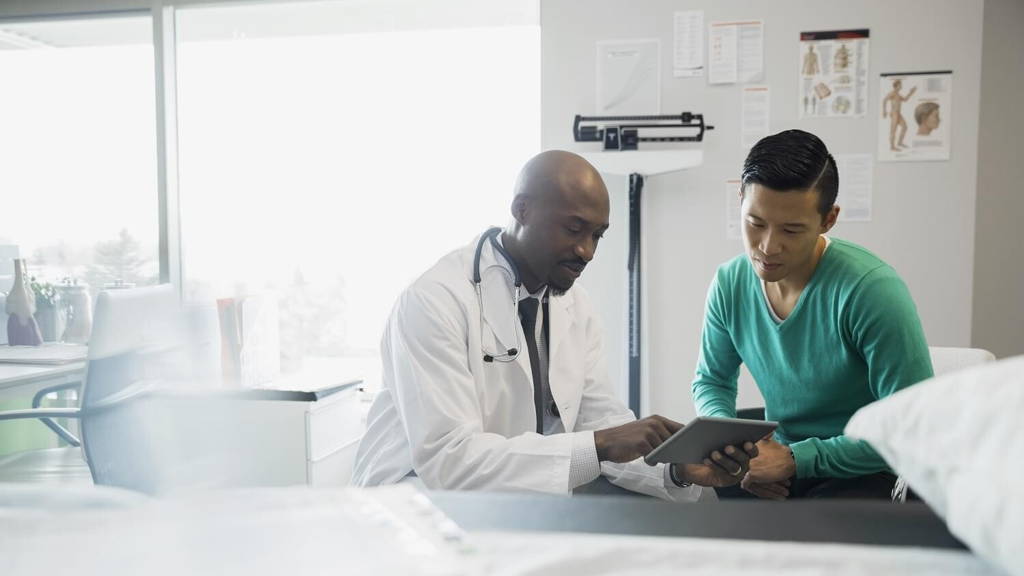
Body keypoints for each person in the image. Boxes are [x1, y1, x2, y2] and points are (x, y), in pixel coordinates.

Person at [353, 150, 756, 499]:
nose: (587, 251)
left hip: (511, 499)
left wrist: (677, 468)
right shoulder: (434, 301)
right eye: (574, 228)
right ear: (521, 210)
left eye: (598, 235)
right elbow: (449, 462)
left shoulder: (574, 307)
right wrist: (599, 444)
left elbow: (597, 423)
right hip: (415, 501)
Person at [691, 130, 934, 500]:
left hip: (863, 468)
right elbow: (711, 382)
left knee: (807, 538)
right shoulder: (729, 283)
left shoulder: (871, 290)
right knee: (701, 514)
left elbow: (911, 428)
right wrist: (737, 452)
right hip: (778, 457)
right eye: (755, 223)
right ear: (740, 200)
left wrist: (795, 459)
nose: (768, 247)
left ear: (828, 220)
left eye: (791, 229)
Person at [882, 79, 917, 151]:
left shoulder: (898, 94)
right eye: (900, 85)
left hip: (898, 113)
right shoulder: (892, 93)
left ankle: (899, 142)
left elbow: (905, 99)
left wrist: (911, 92)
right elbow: (884, 100)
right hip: (894, 113)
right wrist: (884, 111)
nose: (901, 86)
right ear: (897, 86)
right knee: (893, 130)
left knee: (904, 127)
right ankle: (892, 147)